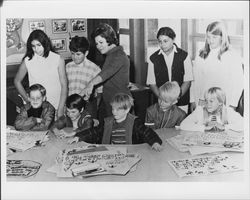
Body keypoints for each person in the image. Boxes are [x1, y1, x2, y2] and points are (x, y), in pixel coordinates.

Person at [70, 93, 162, 151]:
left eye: (118, 110)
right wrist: (79, 136)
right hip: (111, 152)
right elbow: (94, 132)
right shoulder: (108, 122)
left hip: (129, 153)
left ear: (127, 110)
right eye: (113, 109)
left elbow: (147, 132)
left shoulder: (134, 122)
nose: (114, 112)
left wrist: (155, 142)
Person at [14, 29, 68, 119]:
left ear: (45, 43)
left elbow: (64, 85)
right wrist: (28, 100)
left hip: (57, 104)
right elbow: (17, 81)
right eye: (33, 46)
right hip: (38, 107)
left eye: (39, 45)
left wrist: (61, 108)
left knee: (57, 132)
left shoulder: (58, 59)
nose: (36, 49)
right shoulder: (28, 61)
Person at [191, 21, 244, 112]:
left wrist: (233, 105)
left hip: (224, 103)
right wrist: (193, 100)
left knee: (221, 125)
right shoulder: (201, 54)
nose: (210, 41)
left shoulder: (232, 55)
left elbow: (238, 83)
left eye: (214, 37)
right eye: (208, 37)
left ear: (222, 37)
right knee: (203, 125)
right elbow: (195, 80)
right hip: (203, 102)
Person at [82, 23, 131, 119]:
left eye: (101, 42)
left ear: (109, 40)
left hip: (120, 104)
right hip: (111, 102)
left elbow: (105, 74)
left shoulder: (118, 55)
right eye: (96, 43)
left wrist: (91, 84)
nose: (98, 46)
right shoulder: (110, 55)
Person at [146, 26, 193, 113]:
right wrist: (164, 99)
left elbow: (187, 81)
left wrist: (176, 97)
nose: (162, 44)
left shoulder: (184, 56)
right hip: (162, 103)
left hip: (181, 102)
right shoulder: (153, 58)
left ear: (173, 39)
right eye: (160, 42)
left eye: (165, 41)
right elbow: (152, 83)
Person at [66, 36, 102, 118]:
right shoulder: (68, 66)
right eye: (72, 53)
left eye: (78, 54)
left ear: (86, 53)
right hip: (71, 107)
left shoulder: (95, 69)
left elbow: (100, 92)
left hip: (87, 106)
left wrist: (96, 107)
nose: (75, 57)